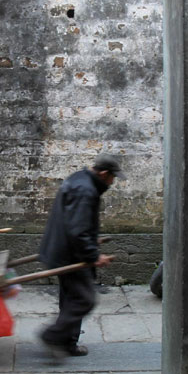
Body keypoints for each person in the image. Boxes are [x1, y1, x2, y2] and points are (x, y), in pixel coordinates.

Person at [39, 153, 124, 357]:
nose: (113, 182)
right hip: (71, 253)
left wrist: (92, 242)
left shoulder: (79, 179)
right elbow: (78, 229)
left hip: (63, 248)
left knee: (71, 298)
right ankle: (53, 336)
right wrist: (93, 255)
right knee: (85, 300)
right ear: (104, 174)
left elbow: (74, 223)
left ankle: (67, 342)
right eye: (113, 177)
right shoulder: (86, 190)